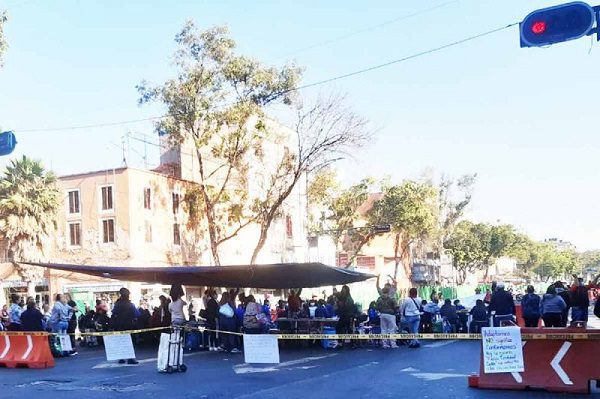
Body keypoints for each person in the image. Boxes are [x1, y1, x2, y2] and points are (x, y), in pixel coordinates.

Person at [110, 288, 140, 364]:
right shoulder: (131, 305)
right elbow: (137, 314)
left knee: (120, 341)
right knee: (130, 342)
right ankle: (130, 359)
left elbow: (113, 313)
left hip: (119, 326)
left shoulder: (117, 304)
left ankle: (121, 358)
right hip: (129, 325)